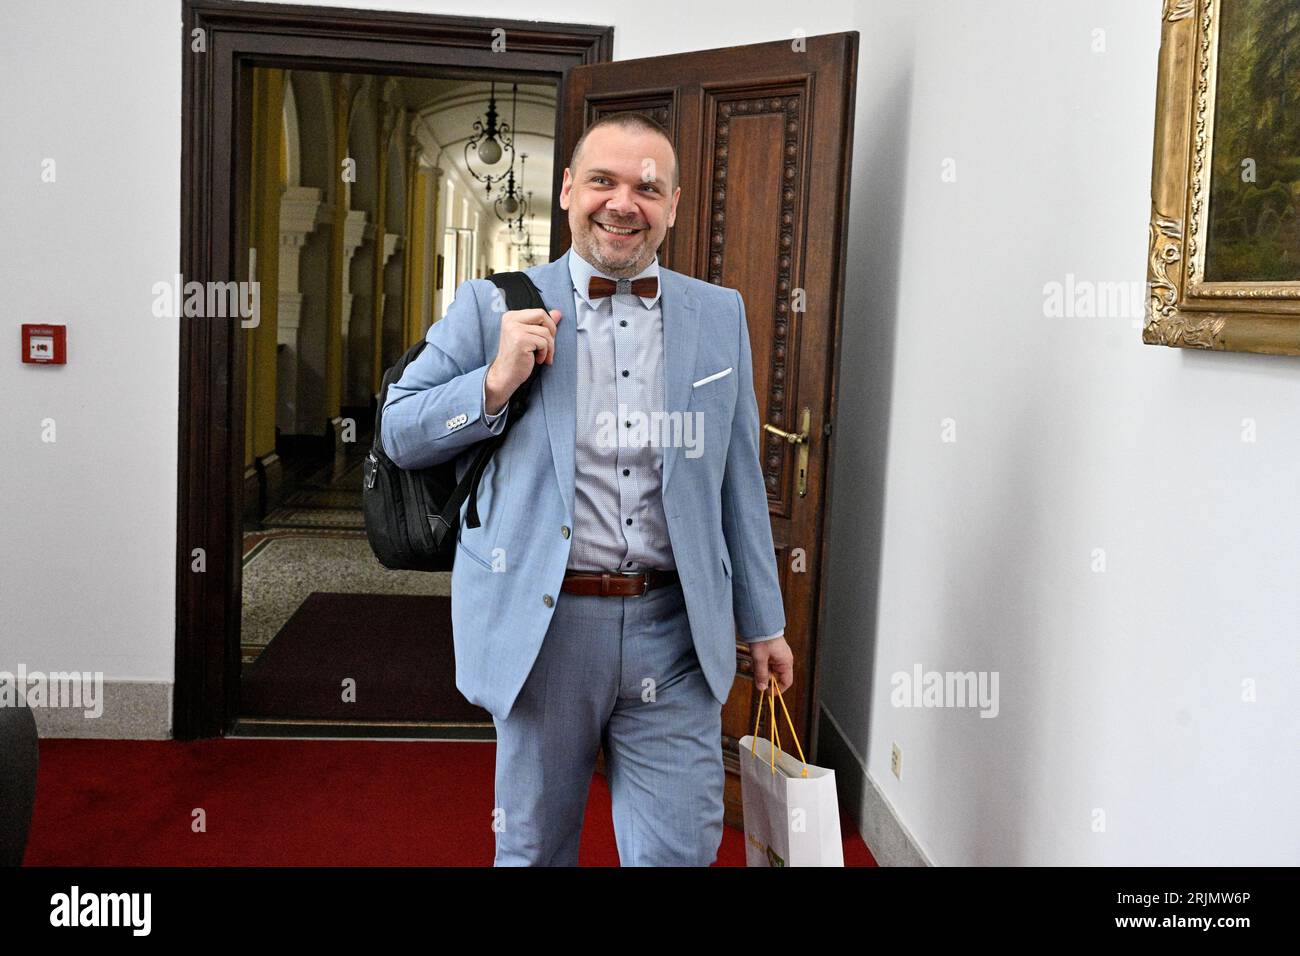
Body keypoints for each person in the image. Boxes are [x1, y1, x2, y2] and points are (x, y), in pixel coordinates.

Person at [381, 111, 793, 866]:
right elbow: (400, 432)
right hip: (544, 628)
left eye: (647, 186)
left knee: (678, 852)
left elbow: (738, 475)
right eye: (602, 180)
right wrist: (494, 382)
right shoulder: (494, 304)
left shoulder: (717, 313)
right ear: (569, 190)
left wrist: (764, 622)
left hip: (674, 630)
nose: (622, 202)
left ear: (672, 205)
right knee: (534, 851)